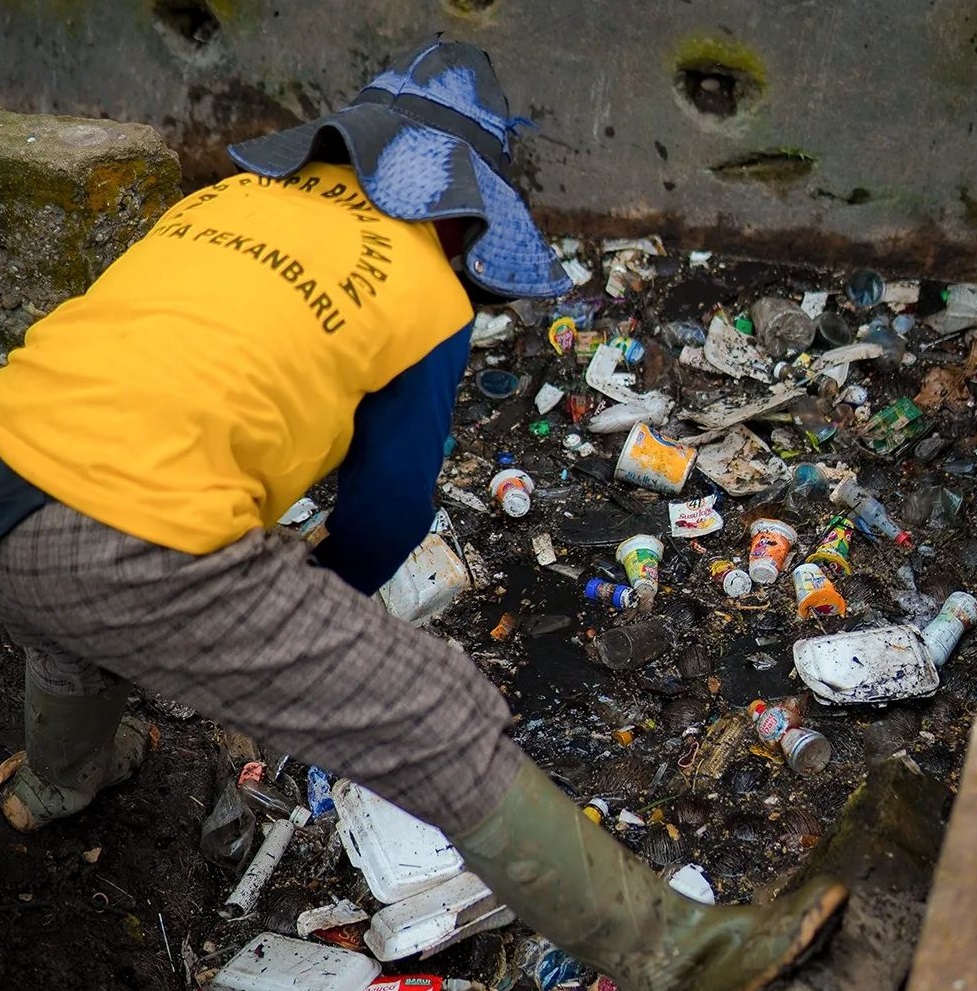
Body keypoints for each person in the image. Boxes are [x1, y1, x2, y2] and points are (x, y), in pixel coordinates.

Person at [0, 38, 846, 991]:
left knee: (59, 601)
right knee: (432, 715)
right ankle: (692, 957)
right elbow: (388, 513)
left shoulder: (218, 201)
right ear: (461, 205)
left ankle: (55, 781)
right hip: (131, 534)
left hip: (11, 468)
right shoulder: (424, 289)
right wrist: (313, 604)